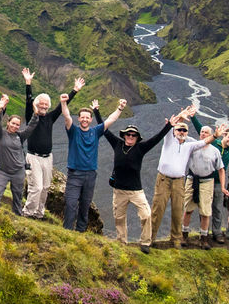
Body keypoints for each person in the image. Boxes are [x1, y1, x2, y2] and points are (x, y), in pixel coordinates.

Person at [93, 101, 177, 253]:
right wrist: (97, 112)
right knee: (119, 218)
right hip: (119, 190)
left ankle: (145, 242)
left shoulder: (141, 148)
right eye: (128, 134)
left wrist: (169, 126)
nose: (130, 137)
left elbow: (157, 138)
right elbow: (103, 129)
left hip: (136, 191)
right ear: (124, 135)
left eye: (133, 135)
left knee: (146, 215)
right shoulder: (117, 144)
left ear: (137, 137)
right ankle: (122, 242)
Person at [21, 68, 85, 219]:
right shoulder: (32, 117)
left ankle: (39, 213)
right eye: (40, 104)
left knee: (45, 188)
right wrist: (28, 83)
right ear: (36, 105)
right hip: (34, 157)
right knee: (35, 187)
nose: (43, 106)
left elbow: (62, 106)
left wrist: (74, 91)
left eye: (45, 105)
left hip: (47, 158)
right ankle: (28, 212)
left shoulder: (50, 117)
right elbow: (28, 101)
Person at [150, 110, 219, 249]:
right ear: (175, 131)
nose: (181, 132)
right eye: (179, 129)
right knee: (158, 209)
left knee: (177, 210)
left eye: (184, 130)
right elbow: (170, 126)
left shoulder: (189, 146)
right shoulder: (169, 140)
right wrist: (179, 118)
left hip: (179, 181)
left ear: (187, 134)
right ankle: (149, 238)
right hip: (163, 180)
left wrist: (216, 135)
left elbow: (205, 141)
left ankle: (175, 239)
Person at [61, 94, 127, 232]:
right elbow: (67, 117)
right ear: (78, 118)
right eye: (82, 117)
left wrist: (120, 108)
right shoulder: (73, 131)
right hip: (74, 174)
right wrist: (63, 103)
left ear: (91, 119)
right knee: (71, 204)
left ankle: (80, 232)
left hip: (90, 175)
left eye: (87, 117)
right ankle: (67, 231)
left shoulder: (96, 132)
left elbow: (111, 119)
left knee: (85, 205)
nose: (84, 119)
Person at [181, 123, 229, 250]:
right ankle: (184, 235)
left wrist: (223, 187)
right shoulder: (193, 146)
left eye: (206, 132)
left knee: (206, 212)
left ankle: (204, 239)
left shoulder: (215, 151)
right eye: (202, 132)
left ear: (211, 135)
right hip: (192, 180)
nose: (203, 134)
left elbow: (221, 169)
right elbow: (180, 136)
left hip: (207, 181)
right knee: (188, 208)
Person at [0, 94, 39, 215]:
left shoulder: (20, 136)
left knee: (17, 197)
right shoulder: (0, 134)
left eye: (17, 125)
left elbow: (31, 127)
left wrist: (36, 113)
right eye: (13, 123)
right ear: (8, 122)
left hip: (18, 171)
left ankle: (18, 217)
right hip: (3, 171)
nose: (15, 126)